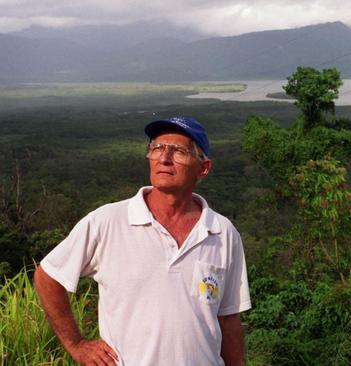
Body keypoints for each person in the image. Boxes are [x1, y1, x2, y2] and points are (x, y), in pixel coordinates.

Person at [34, 116, 251, 366]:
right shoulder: (108, 222)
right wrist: (77, 345)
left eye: (179, 151)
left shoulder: (222, 232)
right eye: (157, 147)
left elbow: (228, 319)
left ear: (203, 168)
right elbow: (47, 276)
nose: (164, 158)